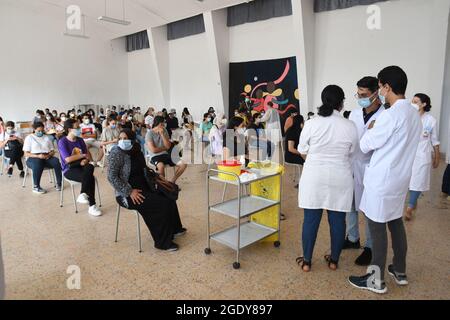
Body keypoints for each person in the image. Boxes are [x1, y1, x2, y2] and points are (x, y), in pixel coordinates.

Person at [349, 66, 421, 294]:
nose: (379, 91)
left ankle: (375, 280)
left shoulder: (390, 115)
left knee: (377, 228)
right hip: (400, 180)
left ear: (387, 86)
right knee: (396, 223)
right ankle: (399, 270)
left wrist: (371, 128)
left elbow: (366, 144)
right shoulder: (413, 113)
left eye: (380, 87)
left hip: (382, 180)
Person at [296, 85, 358, 273]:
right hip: (340, 177)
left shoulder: (311, 123)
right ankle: (333, 260)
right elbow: (353, 152)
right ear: (342, 103)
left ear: (323, 100)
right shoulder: (349, 125)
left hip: (314, 176)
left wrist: (315, 158)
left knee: (310, 220)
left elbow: (302, 149)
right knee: (338, 220)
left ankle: (306, 261)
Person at [108, 129, 186, 251]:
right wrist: (129, 191)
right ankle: (162, 242)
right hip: (128, 194)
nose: (122, 141)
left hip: (145, 186)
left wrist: (157, 177)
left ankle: (174, 229)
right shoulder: (116, 153)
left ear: (132, 140)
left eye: (125, 138)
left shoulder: (136, 151)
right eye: (120, 139)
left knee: (168, 196)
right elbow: (112, 177)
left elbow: (143, 169)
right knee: (159, 204)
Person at [344, 76, 385, 266]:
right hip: (352, 165)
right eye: (358, 94)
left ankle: (369, 246)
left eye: (365, 94)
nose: (361, 97)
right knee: (350, 205)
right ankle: (352, 238)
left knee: (369, 210)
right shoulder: (353, 114)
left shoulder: (385, 115)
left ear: (376, 94)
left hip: (371, 168)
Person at [405, 94, 440, 220]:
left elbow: (435, 141)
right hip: (407, 155)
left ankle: (409, 208)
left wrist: (436, 158)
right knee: (408, 182)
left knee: (417, 182)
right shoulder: (409, 117)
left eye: (416, 101)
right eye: (412, 101)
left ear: (424, 104)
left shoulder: (431, 120)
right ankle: (413, 201)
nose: (413, 103)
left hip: (422, 156)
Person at [58, 119, 102, 217]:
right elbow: (68, 159)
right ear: (69, 129)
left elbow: (87, 156)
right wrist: (82, 156)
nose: (79, 129)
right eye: (77, 127)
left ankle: (83, 194)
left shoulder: (80, 140)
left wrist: (85, 160)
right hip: (69, 169)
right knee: (89, 178)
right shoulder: (63, 141)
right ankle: (92, 205)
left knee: (90, 166)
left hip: (82, 166)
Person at [23, 122, 62, 194]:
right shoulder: (29, 138)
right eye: (38, 131)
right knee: (38, 162)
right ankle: (36, 187)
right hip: (33, 158)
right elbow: (26, 153)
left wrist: (49, 155)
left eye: (42, 130)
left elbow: (52, 151)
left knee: (56, 161)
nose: (40, 132)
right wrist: (38, 156)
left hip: (46, 156)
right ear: (34, 129)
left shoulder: (46, 137)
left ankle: (59, 183)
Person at [146, 116, 187, 183]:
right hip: (154, 156)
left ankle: (172, 181)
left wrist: (162, 134)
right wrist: (164, 148)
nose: (165, 124)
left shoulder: (164, 130)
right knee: (161, 166)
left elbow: (168, 146)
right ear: (160, 123)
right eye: (164, 123)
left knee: (183, 164)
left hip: (166, 154)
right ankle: (164, 185)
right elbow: (153, 150)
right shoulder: (150, 133)